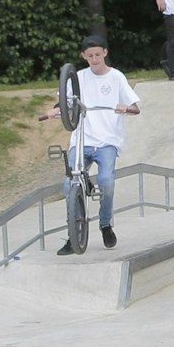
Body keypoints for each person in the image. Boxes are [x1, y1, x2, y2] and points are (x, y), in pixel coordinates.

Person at [52, 35, 139, 255]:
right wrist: (57, 110)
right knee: (68, 185)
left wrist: (125, 108)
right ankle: (75, 234)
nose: (94, 59)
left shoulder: (117, 77)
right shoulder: (77, 77)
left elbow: (135, 107)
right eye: (89, 56)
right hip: (82, 139)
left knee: (107, 181)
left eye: (97, 55)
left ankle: (105, 224)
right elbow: (65, 100)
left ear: (105, 53)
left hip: (107, 141)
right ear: (83, 57)